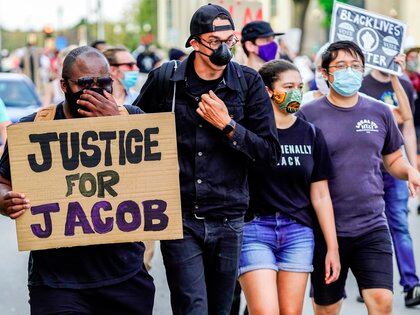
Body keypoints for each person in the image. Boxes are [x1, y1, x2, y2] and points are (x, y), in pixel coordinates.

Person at [133, 4, 280, 314]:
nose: (224, 49)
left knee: (222, 308)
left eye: (230, 41)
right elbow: (133, 133)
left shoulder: (248, 83)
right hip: (180, 217)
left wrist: (228, 126)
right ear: (195, 43)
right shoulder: (166, 80)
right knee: (192, 307)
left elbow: (268, 152)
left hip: (229, 216)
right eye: (215, 42)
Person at [0, 46, 155, 315]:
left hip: (125, 276)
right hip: (57, 284)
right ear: (63, 85)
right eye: (84, 84)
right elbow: (2, 181)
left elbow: (158, 179)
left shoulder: (134, 121)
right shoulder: (34, 129)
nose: (94, 91)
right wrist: (5, 200)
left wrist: (115, 125)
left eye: (103, 83)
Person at [297, 41, 420, 315]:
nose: (349, 72)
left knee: (382, 301)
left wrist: (410, 170)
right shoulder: (308, 116)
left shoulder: (379, 111)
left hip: (372, 226)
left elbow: (393, 159)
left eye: (355, 66)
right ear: (325, 73)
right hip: (325, 229)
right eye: (340, 66)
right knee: (327, 308)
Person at [238, 59, 340, 315]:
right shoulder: (249, 131)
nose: (296, 91)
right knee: (264, 311)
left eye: (299, 85)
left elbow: (320, 195)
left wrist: (332, 247)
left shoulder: (312, 134)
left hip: (298, 233)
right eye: (288, 85)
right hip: (254, 230)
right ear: (268, 91)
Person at [359, 56, 420, 307]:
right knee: (366, 226)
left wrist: (412, 168)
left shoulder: (403, 84)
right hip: (369, 167)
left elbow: (406, 125)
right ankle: (368, 282)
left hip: (396, 165)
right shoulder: (361, 84)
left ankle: (411, 284)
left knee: (399, 223)